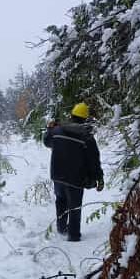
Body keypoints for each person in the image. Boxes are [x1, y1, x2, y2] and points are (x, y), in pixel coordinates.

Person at [43, 102, 104, 242]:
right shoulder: (87, 137)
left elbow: (46, 142)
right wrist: (99, 178)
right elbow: (94, 162)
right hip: (76, 179)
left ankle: (62, 228)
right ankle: (74, 236)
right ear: (86, 119)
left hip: (57, 176)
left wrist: (49, 129)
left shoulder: (57, 131)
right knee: (74, 207)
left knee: (61, 201)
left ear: (71, 116)